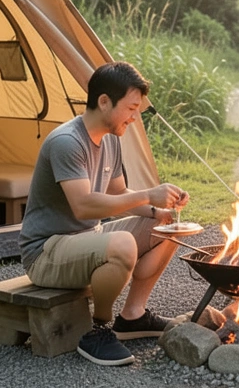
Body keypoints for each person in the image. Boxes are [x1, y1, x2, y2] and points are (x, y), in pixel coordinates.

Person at [19, 61, 190, 367]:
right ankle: (98, 330)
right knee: (123, 243)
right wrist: (148, 194)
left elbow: (118, 194)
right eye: (131, 108)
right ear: (104, 102)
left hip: (87, 238)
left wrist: (158, 210)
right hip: (46, 251)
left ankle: (133, 316)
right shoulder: (66, 142)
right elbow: (83, 205)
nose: (135, 117)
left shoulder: (111, 139)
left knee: (170, 227)